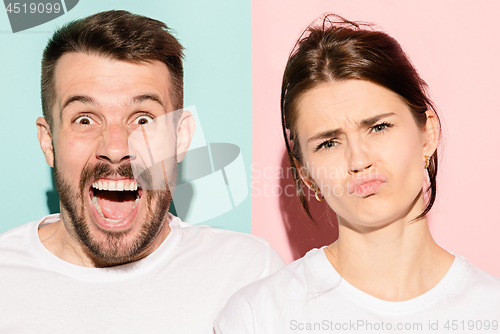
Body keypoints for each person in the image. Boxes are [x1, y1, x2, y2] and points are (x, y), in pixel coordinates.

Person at [0, 10, 284, 333]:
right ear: (48, 142)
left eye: (143, 119)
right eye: (85, 119)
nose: (117, 148)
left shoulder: (249, 275)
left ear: (180, 136)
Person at [215, 14, 500, 333]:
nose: (358, 160)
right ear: (306, 173)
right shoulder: (259, 317)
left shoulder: (492, 309)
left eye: (379, 127)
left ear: (428, 134)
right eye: (328, 143)